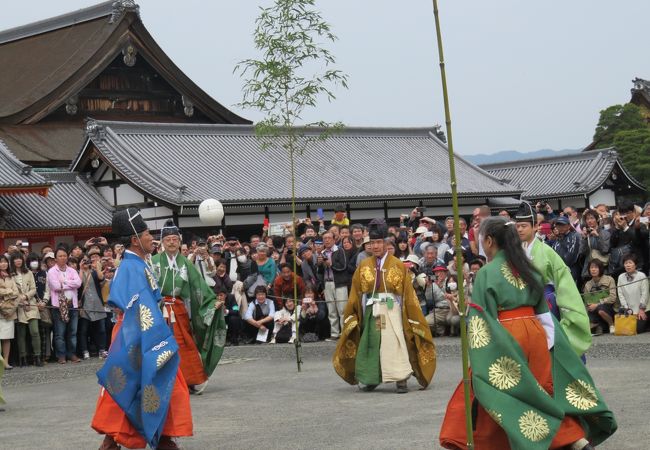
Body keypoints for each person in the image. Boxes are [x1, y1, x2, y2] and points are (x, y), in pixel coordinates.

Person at [439, 216, 616, 450]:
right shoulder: (528, 268)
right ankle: (574, 440)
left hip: (505, 334)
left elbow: (483, 318)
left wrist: (486, 350)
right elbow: (544, 313)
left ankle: (487, 443)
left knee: (493, 388)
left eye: (482, 240)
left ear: (490, 241)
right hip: (535, 332)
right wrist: (552, 346)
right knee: (539, 391)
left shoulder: (487, 273)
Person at [92, 208, 192, 450]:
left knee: (156, 383)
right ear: (136, 239)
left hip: (144, 331)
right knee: (133, 385)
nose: (152, 238)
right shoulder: (131, 267)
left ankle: (164, 437)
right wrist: (157, 336)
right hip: (136, 335)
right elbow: (138, 309)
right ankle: (119, 440)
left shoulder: (139, 263)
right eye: (148, 234)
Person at [332, 219, 436, 394]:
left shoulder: (397, 265)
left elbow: (408, 294)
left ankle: (401, 377)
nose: (375, 246)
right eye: (372, 243)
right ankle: (371, 378)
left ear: (386, 243)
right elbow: (356, 293)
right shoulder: (364, 266)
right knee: (372, 342)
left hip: (392, 310)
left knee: (394, 341)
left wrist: (409, 316)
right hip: (373, 311)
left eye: (379, 242)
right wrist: (354, 313)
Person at [151, 219, 226, 395]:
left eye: (174, 239)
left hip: (178, 308)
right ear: (162, 242)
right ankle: (161, 382)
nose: (171, 242)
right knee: (160, 345)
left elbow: (199, 284)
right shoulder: (153, 262)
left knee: (184, 343)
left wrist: (211, 301)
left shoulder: (185, 263)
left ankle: (190, 379)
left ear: (179, 242)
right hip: (157, 309)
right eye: (167, 239)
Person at [514, 202, 591, 356]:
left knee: (549, 345)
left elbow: (563, 280)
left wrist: (567, 306)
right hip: (522, 303)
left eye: (524, 225)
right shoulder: (514, 252)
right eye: (518, 226)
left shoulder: (546, 251)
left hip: (546, 302)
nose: (520, 229)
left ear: (536, 227)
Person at [47, 246, 82, 364]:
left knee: (72, 332)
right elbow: (55, 287)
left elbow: (78, 283)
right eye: (60, 256)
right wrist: (69, 284)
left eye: (64, 256)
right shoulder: (52, 271)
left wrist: (65, 282)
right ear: (55, 258)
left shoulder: (72, 270)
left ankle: (72, 353)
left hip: (73, 305)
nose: (62, 258)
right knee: (59, 332)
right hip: (59, 306)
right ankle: (61, 355)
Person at [10, 252, 42, 367]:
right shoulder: (10, 274)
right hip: (18, 306)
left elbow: (33, 289)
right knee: (21, 334)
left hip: (31, 304)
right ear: (12, 261)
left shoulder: (28, 272)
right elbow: (11, 291)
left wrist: (25, 296)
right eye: (15, 259)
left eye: (20, 258)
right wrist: (20, 299)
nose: (18, 261)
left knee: (35, 331)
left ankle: (37, 356)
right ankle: (22, 358)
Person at [77, 256, 108, 360]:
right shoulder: (78, 273)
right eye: (83, 260)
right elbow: (78, 283)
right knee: (84, 330)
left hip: (97, 303)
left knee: (101, 329)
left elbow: (101, 278)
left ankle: (102, 350)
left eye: (87, 260)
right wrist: (81, 268)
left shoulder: (94, 273)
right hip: (85, 305)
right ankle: (85, 351)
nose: (86, 262)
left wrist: (98, 267)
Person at [583, 259, 617, 335]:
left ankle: (611, 324)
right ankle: (600, 327)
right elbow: (586, 301)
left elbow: (613, 297)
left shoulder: (609, 279)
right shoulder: (588, 284)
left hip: (609, 308)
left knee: (601, 310)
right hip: (593, 310)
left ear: (600, 269)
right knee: (590, 320)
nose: (593, 269)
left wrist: (598, 304)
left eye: (596, 267)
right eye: (591, 267)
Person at [616, 254, 648, 334]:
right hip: (628, 310)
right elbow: (620, 294)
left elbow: (645, 293)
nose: (628, 265)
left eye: (630, 262)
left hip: (642, 309)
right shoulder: (621, 277)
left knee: (637, 329)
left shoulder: (641, 276)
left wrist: (641, 309)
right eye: (626, 263)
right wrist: (627, 309)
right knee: (628, 328)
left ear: (635, 264)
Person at [0, 255, 19, 370]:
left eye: (5, 262)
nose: (3, 264)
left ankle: (5, 362)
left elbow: (16, 293)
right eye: (1, 262)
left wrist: (6, 295)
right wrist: (8, 291)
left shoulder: (11, 277)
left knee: (7, 338)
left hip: (9, 311)